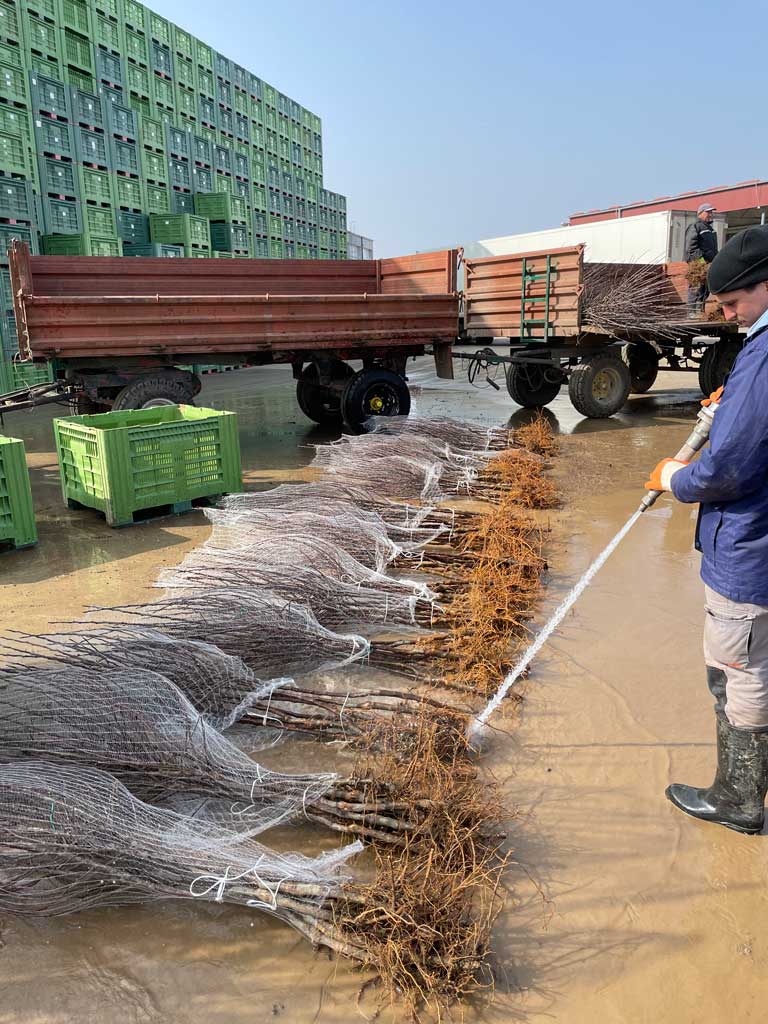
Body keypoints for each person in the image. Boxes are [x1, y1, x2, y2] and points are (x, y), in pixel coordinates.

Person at [644, 224, 768, 834]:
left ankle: (739, 800)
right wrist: (733, 405)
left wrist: (675, 479)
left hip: (752, 552)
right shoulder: (758, 355)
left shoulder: (766, 355)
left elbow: (729, 470)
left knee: (736, 674)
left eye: (734, 301)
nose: (726, 312)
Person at [684, 203, 719, 316]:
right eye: (708, 212)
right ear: (700, 213)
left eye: (711, 212)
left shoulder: (711, 229)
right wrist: (701, 263)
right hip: (698, 264)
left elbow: (713, 249)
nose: (710, 214)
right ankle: (691, 313)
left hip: (709, 264)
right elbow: (691, 248)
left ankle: (700, 312)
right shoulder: (695, 226)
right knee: (696, 287)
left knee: (705, 289)